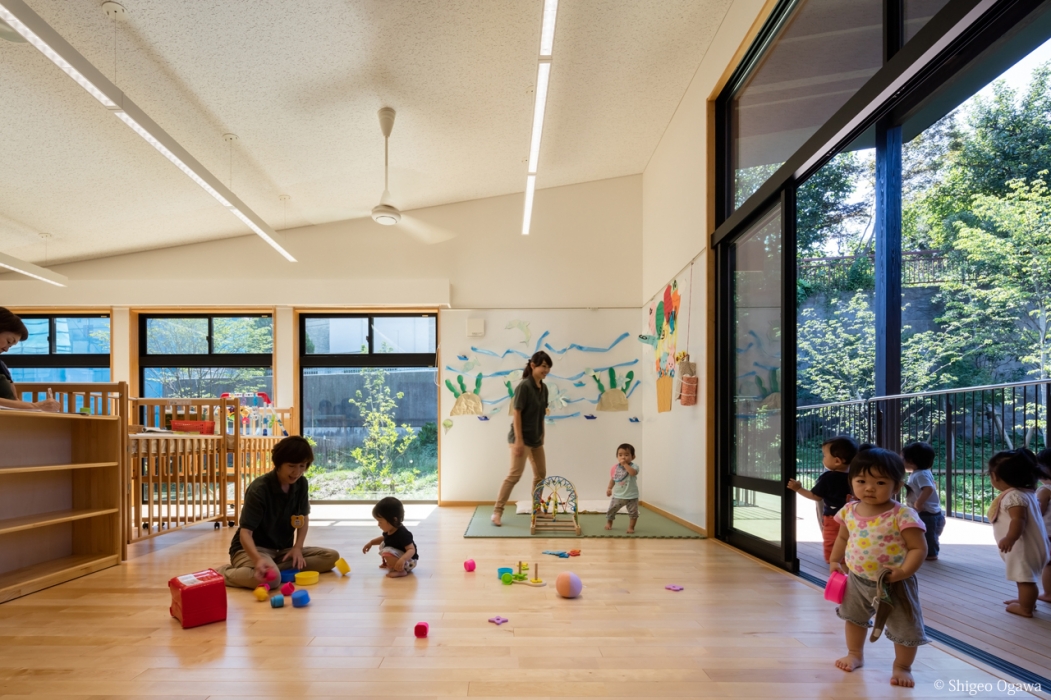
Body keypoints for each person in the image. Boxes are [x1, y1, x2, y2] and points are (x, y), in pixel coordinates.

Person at [829, 446, 928, 688]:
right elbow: (843, 538)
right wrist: (835, 559)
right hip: (857, 579)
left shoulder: (902, 515)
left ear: (896, 485)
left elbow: (918, 548)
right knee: (853, 618)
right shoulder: (850, 510)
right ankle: (855, 653)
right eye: (861, 480)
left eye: (880, 482)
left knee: (905, 627)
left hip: (895, 583)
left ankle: (903, 667)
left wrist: (904, 572)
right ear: (851, 482)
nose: (869, 488)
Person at [219, 436, 339, 589]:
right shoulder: (259, 489)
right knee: (272, 581)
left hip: (282, 551)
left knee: (331, 557)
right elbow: (245, 533)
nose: (297, 472)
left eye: (302, 466)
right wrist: (257, 560)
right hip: (252, 549)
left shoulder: (301, 484)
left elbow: (303, 518)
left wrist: (297, 548)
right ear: (278, 464)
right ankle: (221, 573)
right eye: (291, 466)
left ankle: (269, 569)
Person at [491, 351, 552, 526]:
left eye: (548, 367)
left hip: (535, 439)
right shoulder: (524, 386)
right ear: (533, 366)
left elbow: (541, 414)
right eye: (543, 366)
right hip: (521, 438)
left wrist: (542, 435)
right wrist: (518, 440)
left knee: (541, 474)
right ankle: (497, 512)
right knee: (514, 475)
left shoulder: (544, 388)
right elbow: (516, 413)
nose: (546, 370)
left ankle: (536, 510)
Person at [987, 448, 1050, 618]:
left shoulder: (1013, 496)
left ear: (996, 477)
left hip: (1022, 546)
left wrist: (1010, 537)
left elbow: (1018, 520)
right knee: (1023, 576)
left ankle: (1026, 608)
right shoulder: (1026, 493)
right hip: (1031, 545)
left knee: (1025, 579)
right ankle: (1025, 601)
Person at [788, 435, 857, 562]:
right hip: (853, 517)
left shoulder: (828, 477)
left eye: (824, 456)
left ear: (837, 461)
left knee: (831, 539)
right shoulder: (856, 477)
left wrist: (798, 489)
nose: (823, 459)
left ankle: (834, 561)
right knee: (850, 538)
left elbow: (815, 496)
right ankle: (848, 559)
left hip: (833, 517)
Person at [0, 308, 60, 412]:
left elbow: (14, 401)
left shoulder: (1, 366)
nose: (6, 349)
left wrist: (38, 407)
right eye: (8, 341)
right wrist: (35, 406)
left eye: (11, 346)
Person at [902, 441, 944, 561]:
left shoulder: (919, 475)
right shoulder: (923, 473)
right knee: (928, 533)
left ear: (910, 461)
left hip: (926, 512)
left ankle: (931, 554)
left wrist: (919, 502)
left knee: (928, 534)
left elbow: (928, 488)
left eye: (902, 458)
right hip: (929, 512)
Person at [363, 496, 418, 578]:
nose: (378, 524)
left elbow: (411, 549)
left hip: (409, 561)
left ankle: (401, 571)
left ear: (394, 520)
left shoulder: (403, 533)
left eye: (380, 522)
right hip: (401, 557)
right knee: (383, 544)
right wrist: (371, 543)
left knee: (387, 550)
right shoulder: (390, 530)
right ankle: (391, 565)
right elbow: (384, 538)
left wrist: (402, 560)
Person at [605, 443, 640, 533]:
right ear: (617, 456)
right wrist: (609, 488)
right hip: (618, 496)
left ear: (633, 456)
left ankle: (631, 527)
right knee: (611, 510)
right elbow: (613, 479)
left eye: (626, 455)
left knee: (633, 513)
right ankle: (609, 523)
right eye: (620, 455)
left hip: (632, 496)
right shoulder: (616, 468)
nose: (623, 457)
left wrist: (625, 465)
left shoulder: (634, 466)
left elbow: (632, 473)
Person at [1037, 449, 1051, 603]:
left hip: (1049, 533)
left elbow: (1038, 513)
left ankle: (1048, 593)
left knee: (1049, 565)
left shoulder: (1045, 490)